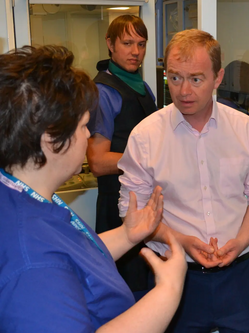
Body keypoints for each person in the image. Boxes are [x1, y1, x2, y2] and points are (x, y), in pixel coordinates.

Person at [0, 45, 186, 332]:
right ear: (51, 138)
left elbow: (73, 260)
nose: (88, 135)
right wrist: (168, 290)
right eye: (84, 126)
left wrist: (127, 234)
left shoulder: (23, 196)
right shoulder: (32, 262)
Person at [117, 29, 249, 332]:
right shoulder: (146, 136)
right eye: (174, 78)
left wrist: (240, 240)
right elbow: (130, 212)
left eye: (196, 79)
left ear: (218, 78)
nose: (184, 90)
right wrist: (182, 241)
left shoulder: (245, 129)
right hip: (174, 277)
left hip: (240, 278)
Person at [86, 14, 157, 298]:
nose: (136, 52)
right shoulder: (104, 91)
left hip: (144, 207)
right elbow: (98, 162)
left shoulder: (143, 86)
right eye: (127, 43)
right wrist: (149, 162)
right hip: (118, 210)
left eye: (141, 44)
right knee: (128, 296)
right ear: (110, 45)